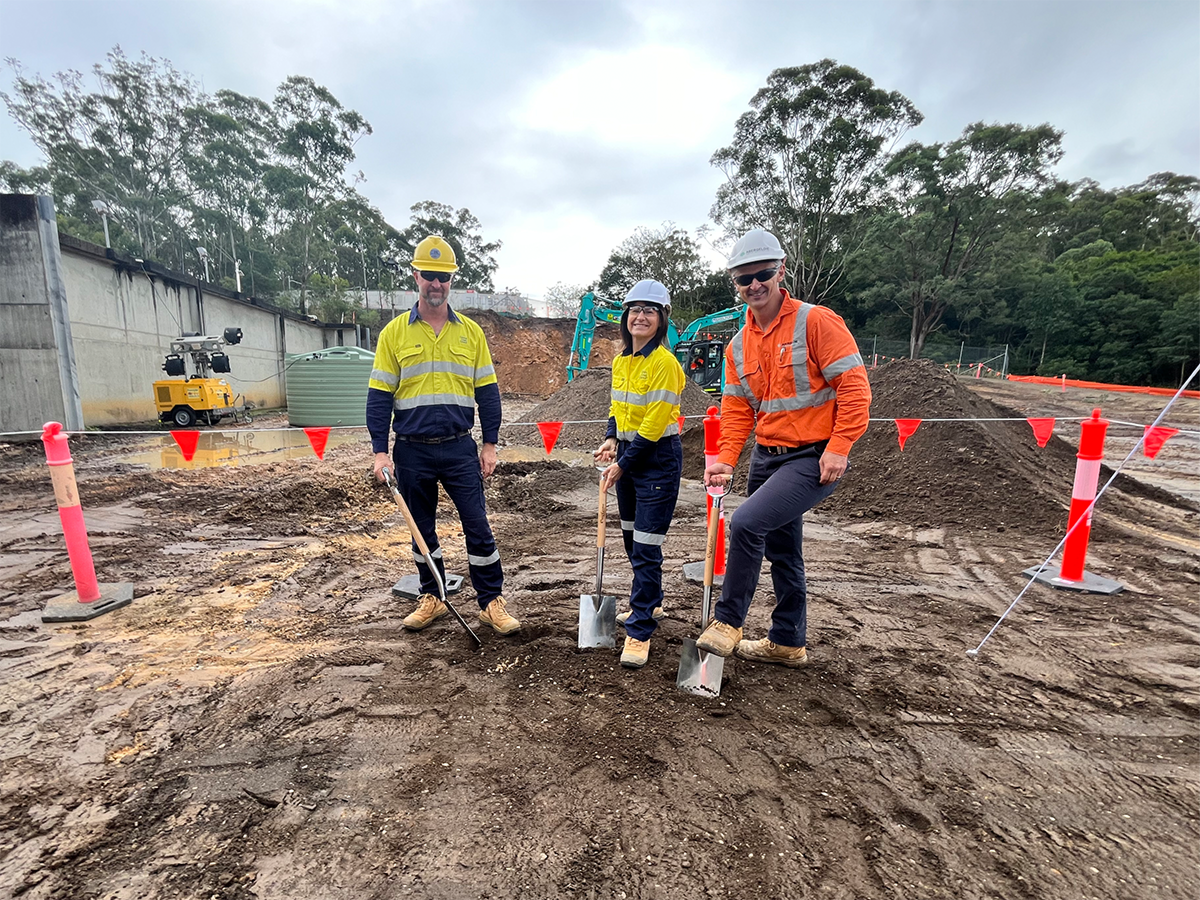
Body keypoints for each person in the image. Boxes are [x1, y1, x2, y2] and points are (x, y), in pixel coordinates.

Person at [695, 229, 871, 667]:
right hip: (766, 457)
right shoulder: (739, 344)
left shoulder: (816, 322)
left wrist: (840, 446)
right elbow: (737, 411)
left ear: (781, 271)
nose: (754, 284)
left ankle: (728, 622)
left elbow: (854, 388)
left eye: (764, 273)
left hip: (811, 457)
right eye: (744, 278)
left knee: (748, 522)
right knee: (784, 550)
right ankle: (788, 641)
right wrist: (725, 461)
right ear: (735, 283)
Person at [367, 235, 520, 635]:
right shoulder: (393, 334)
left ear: (452, 280)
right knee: (421, 528)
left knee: (477, 524)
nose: (436, 284)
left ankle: (490, 603)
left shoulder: (471, 334)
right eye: (429, 276)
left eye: (443, 277)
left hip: (458, 448)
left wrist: (490, 445)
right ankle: (432, 596)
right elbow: (379, 398)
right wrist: (380, 453)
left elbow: (488, 394)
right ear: (415, 275)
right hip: (412, 452)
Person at [593, 280, 686, 669]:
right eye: (635, 309)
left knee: (646, 547)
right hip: (630, 455)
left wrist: (623, 464)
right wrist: (613, 439)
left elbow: (652, 425)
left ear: (662, 318)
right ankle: (652, 602)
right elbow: (621, 408)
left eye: (650, 310)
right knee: (633, 541)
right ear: (625, 317)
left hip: (656, 459)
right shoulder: (621, 362)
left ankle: (641, 628)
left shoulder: (665, 364)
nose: (641, 316)